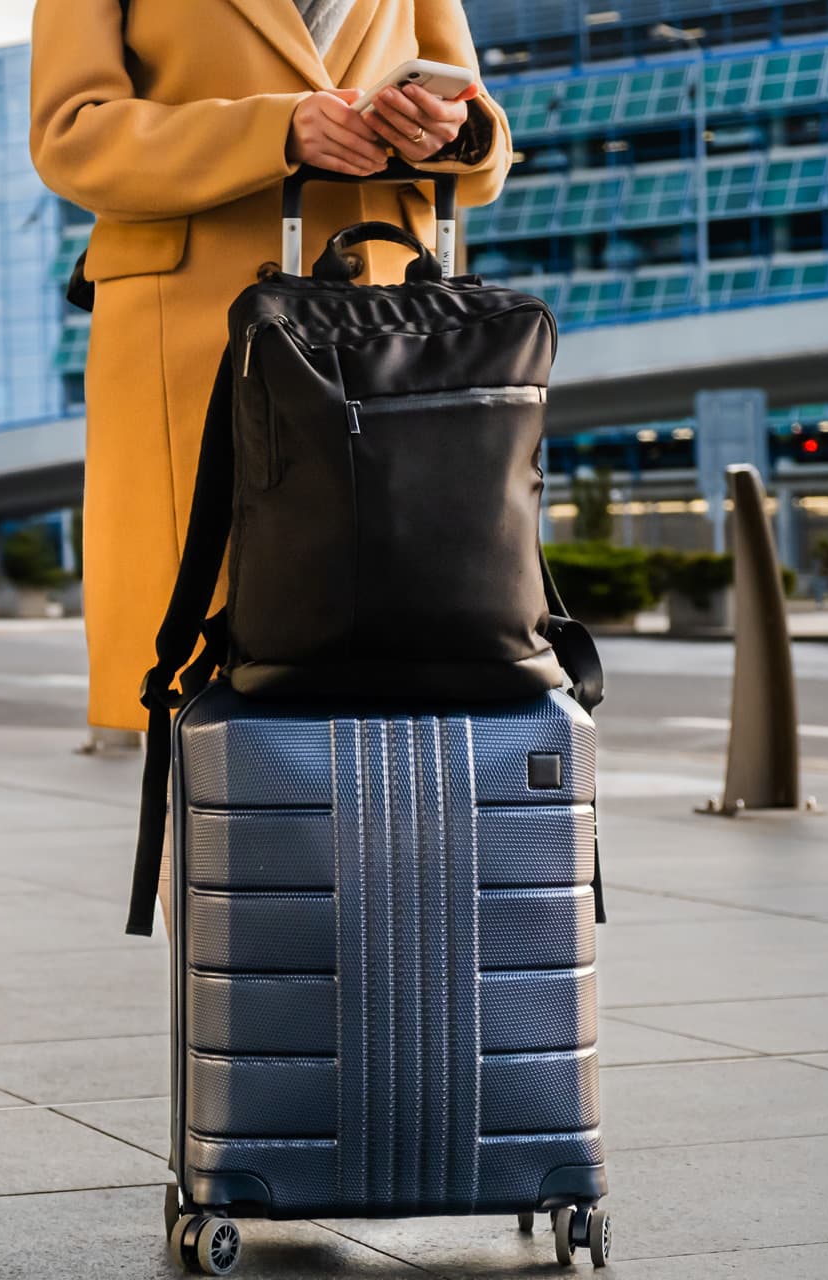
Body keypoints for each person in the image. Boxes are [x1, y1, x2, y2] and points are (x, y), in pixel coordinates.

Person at [31, 0, 513, 928]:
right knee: (204, 679)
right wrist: (277, 128)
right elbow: (72, 136)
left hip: (374, 339)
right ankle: (234, 1011)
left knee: (387, 647)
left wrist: (454, 128)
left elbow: (481, 143)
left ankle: (370, 1007)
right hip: (189, 343)